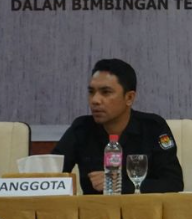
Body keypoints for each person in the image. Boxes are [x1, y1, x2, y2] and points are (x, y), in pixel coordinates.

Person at [52, 59, 184, 194]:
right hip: (95, 207)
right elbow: (50, 175)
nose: (95, 100)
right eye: (91, 92)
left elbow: (173, 182)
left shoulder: (153, 127)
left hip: (141, 207)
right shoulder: (81, 128)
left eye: (106, 92)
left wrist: (117, 184)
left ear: (129, 98)